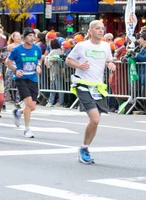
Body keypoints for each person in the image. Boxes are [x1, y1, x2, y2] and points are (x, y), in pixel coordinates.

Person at [65, 20, 115, 163]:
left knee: (95, 122)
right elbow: (68, 60)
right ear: (91, 30)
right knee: (95, 118)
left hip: (97, 87)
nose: (101, 31)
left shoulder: (106, 46)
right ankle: (84, 148)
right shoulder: (82, 46)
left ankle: (84, 148)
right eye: (98, 29)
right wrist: (79, 65)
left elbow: (108, 61)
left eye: (102, 29)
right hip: (82, 84)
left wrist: (110, 64)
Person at [6, 27, 42, 139]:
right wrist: (15, 70)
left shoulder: (37, 49)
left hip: (33, 79)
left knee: (33, 107)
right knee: (29, 104)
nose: (32, 38)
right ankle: (27, 129)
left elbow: (39, 59)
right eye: (30, 36)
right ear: (24, 37)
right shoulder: (17, 49)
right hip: (21, 79)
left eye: (33, 36)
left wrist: (38, 66)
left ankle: (18, 112)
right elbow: (8, 62)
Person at [45, 38, 65, 108]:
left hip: (55, 71)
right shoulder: (59, 51)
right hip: (55, 71)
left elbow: (58, 58)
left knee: (57, 87)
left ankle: (57, 102)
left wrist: (48, 59)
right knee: (56, 87)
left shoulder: (54, 51)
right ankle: (54, 101)